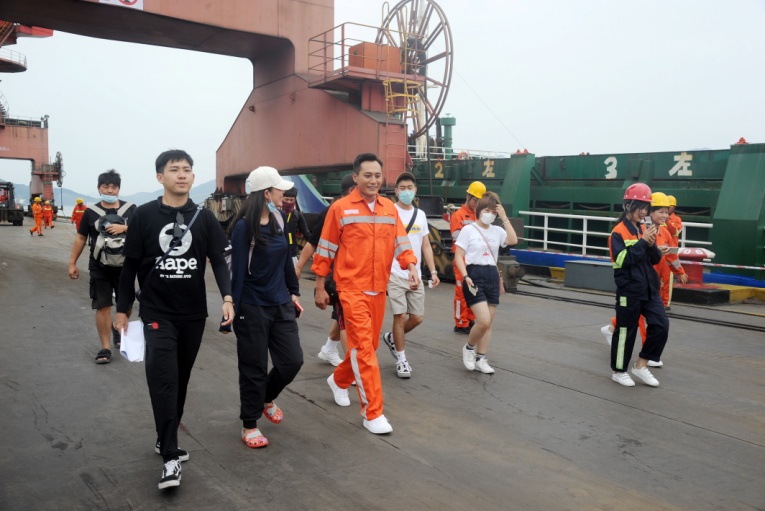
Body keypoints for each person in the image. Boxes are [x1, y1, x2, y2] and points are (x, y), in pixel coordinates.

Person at [113, 150, 234, 490]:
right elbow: (130, 265)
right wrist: (122, 308)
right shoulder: (144, 215)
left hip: (193, 314)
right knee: (164, 380)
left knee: (179, 380)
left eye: (187, 169)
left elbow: (219, 261)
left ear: (193, 177)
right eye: (174, 169)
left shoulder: (205, 218)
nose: (182, 174)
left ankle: (163, 436)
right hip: (156, 313)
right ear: (160, 177)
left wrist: (227, 297)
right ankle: (170, 457)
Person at [312, 153, 419, 435]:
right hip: (351, 289)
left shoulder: (389, 209)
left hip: (379, 289)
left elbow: (401, 241)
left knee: (369, 347)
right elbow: (325, 248)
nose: (373, 180)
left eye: (377, 176)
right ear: (356, 177)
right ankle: (373, 413)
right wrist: (320, 285)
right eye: (367, 175)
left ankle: (338, 380)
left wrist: (411, 265)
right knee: (363, 350)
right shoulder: (340, 209)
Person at [229, 166, 303, 449]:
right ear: (266, 193)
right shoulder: (243, 227)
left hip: (281, 302)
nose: (284, 192)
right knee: (254, 367)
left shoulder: (278, 218)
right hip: (252, 305)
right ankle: (249, 425)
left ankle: (265, 397)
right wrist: (232, 308)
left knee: (292, 361)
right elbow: (237, 270)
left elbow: (286, 260)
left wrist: (293, 292)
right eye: (278, 188)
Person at [68, 170, 136, 364]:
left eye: (113, 187)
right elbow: (81, 237)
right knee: (103, 305)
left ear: (119, 189)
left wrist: (126, 228)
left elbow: (143, 232)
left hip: (126, 267)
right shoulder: (90, 212)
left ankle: (116, 327)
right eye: (106, 187)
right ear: (99, 188)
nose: (110, 190)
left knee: (127, 305)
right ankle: (105, 347)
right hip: (99, 267)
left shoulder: (131, 210)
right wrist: (72, 263)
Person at [608, 183, 669, 387]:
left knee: (661, 325)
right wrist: (643, 242)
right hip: (629, 290)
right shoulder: (618, 232)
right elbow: (621, 260)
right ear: (628, 206)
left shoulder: (643, 229)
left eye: (646, 207)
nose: (643, 212)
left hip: (649, 288)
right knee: (626, 331)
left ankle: (641, 365)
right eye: (640, 207)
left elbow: (654, 259)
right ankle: (619, 371)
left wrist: (651, 246)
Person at [381, 172, 440, 378]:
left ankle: (392, 338)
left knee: (416, 318)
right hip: (394, 272)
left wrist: (433, 271)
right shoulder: (389, 212)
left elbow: (426, 245)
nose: (406, 192)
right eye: (402, 188)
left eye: (410, 188)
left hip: (415, 274)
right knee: (400, 315)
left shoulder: (420, 215)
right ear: (396, 191)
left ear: (415, 190)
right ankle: (401, 359)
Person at [295, 173, 356, 366]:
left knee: (343, 318)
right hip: (337, 275)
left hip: (356, 276)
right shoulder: (332, 211)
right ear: (352, 190)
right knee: (347, 321)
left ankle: (329, 349)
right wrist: (299, 267)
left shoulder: (359, 211)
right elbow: (313, 243)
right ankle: (352, 369)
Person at [453, 191, 517, 374]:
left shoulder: (497, 231)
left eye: (493, 211)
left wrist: (504, 217)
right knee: (483, 320)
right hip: (474, 275)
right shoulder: (469, 230)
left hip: (492, 276)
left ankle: (481, 358)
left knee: (489, 323)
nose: (490, 214)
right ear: (479, 210)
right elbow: (458, 256)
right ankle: (469, 348)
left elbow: (513, 240)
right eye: (486, 210)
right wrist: (466, 276)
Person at [451, 181, 486, 334]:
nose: (476, 204)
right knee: (461, 293)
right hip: (462, 261)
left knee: (473, 291)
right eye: (475, 200)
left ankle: (470, 319)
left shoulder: (478, 215)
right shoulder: (458, 215)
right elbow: (457, 238)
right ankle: (461, 323)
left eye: (479, 201)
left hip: (474, 261)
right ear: (468, 196)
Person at [281, 187, 311, 268]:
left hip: (292, 253)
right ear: (281, 198)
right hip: (277, 252)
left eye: (291, 200)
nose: (289, 202)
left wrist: (313, 250)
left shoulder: (297, 215)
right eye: (286, 199)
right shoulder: (274, 213)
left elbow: (307, 234)